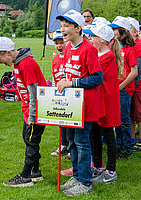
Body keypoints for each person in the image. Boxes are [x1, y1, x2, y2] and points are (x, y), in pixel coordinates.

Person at [0, 37, 47, 187]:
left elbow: (34, 92)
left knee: (31, 141)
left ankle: (25, 177)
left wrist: (32, 115)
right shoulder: (18, 63)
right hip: (29, 110)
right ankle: (35, 172)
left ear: (8, 52)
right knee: (28, 139)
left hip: (36, 110)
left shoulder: (27, 63)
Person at [56, 10, 103, 196]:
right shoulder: (68, 48)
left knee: (82, 143)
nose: (63, 29)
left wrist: (72, 83)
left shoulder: (88, 49)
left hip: (86, 106)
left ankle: (85, 182)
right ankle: (76, 176)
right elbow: (69, 75)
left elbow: (97, 78)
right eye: (61, 26)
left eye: (67, 26)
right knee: (72, 143)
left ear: (78, 28)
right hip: (71, 106)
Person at [84, 24, 121, 183]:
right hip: (99, 101)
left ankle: (111, 171)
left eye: (93, 36)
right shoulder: (100, 54)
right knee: (94, 134)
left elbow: (91, 74)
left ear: (102, 40)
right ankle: (98, 166)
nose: (90, 39)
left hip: (107, 103)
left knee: (107, 135)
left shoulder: (107, 56)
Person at [109, 16, 138, 159]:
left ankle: (127, 148)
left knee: (124, 120)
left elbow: (134, 72)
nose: (113, 31)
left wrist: (121, 86)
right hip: (115, 89)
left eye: (115, 29)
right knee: (117, 120)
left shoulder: (129, 50)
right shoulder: (115, 48)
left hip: (123, 90)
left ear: (123, 31)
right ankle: (119, 145)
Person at [51, 29, 69, 156]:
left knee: (70, 121)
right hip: (59, 93)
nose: (59, 46)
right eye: (56, 43)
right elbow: (54, 77)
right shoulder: (55, 59)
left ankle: (69, 145)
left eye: (61, 42)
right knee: (61, 120)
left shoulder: (69, 57)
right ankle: (63, 145)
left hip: (71, 92)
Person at [127, 17, 141, 151]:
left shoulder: (138, 46)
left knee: (139, 115)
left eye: (128, 29)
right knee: (131, 115)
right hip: (131, 87)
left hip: (137, 88)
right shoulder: (130, 45)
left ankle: (140, 140)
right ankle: (131, 138)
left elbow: (138, 70)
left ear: (135, 32)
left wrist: (133, 87)